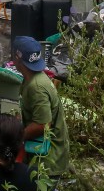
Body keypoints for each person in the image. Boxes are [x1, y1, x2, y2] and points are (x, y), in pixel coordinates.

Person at [13, 36, 70, 179]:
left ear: (17, 57)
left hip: (47, 162)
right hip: (42, 155)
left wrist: (15, 138)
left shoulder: (36, 87)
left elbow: (42, 125)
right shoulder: (33, 78)